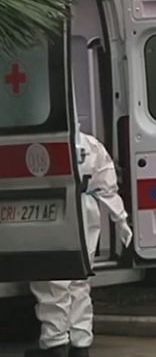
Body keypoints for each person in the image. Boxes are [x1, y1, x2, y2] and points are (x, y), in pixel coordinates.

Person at [26, 131, 133, 357]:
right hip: (87, 209)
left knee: (52, 278)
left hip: (55, 205)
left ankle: (55, 342)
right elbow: (107, 183)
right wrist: (120, 218)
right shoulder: (89, 143)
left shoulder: (42, 141)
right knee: (79, 278)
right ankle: (80, 342)